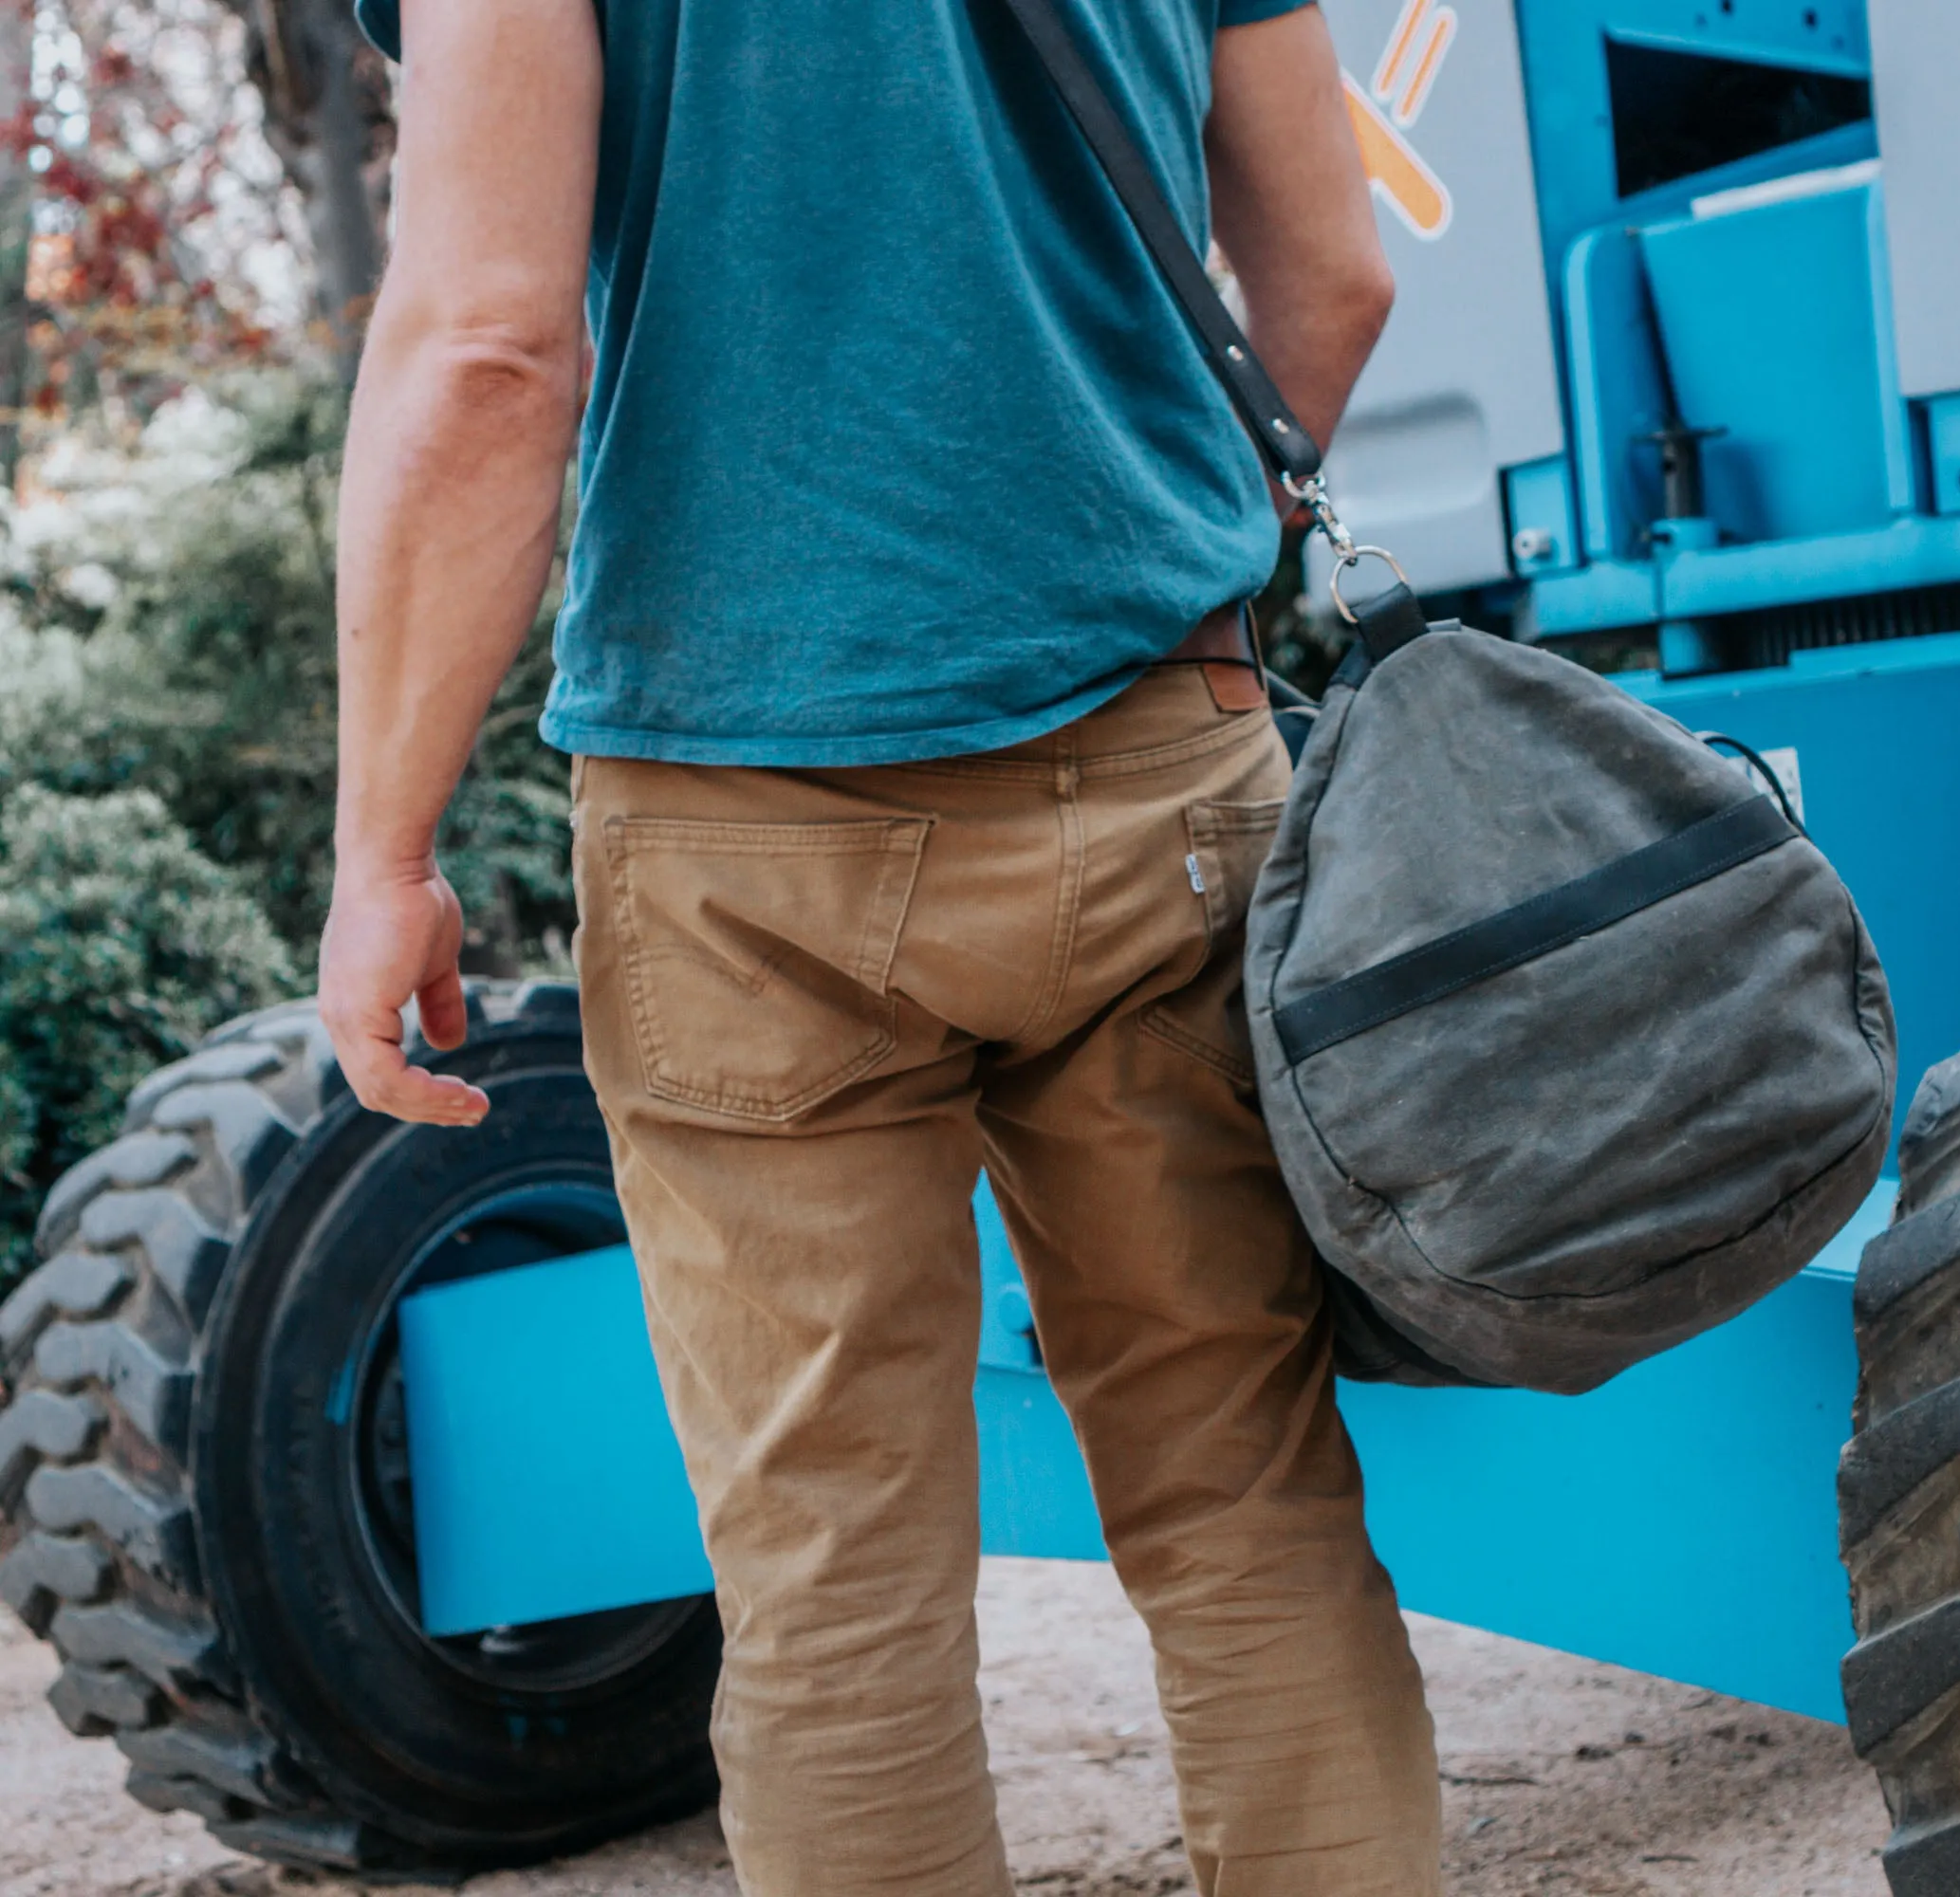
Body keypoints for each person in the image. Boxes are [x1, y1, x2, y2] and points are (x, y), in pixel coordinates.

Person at [314, 0, 1438, 1888]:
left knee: (833, 1584)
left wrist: (382, 849)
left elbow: (493, 348)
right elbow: (1331, 281)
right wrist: (1153, 589)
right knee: (1246, 1506)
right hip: (1159, 766)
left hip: (742, 818)